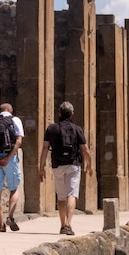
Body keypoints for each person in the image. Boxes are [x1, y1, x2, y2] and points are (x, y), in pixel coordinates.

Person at [39, 101, 93, 235]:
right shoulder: (77, 129)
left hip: (57, 165)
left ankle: (63, 225)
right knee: (72, 194)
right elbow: (85, 150)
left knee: (61, 196)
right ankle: (68, 224)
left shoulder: (51, 129)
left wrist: (41, 167)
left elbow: (45, 148)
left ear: (59, 113)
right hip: (73, 165)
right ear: (72, 114)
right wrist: (89, 165)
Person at [0, 103, 24, 232]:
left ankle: (1, 225)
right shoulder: (15, 120)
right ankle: (10, 216)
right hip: (10, 158)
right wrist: (8, 158)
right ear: (10, 110)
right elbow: (18, 141)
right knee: (14, 188)